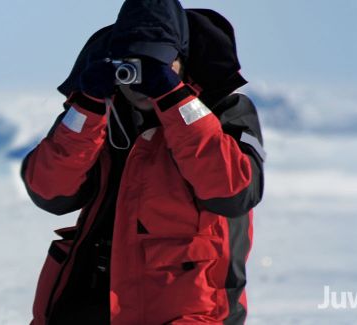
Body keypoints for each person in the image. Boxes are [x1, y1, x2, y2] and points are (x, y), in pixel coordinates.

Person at [20, 1, 266, 324]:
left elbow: (233, 189)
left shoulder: (225, 110)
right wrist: (87, 107)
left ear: (181, 61)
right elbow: (48, 190)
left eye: (156, 62)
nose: (139, 79)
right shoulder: (100, 110)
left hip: (184, 313)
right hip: (87, 300)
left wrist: (173, 99)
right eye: (130, 62)